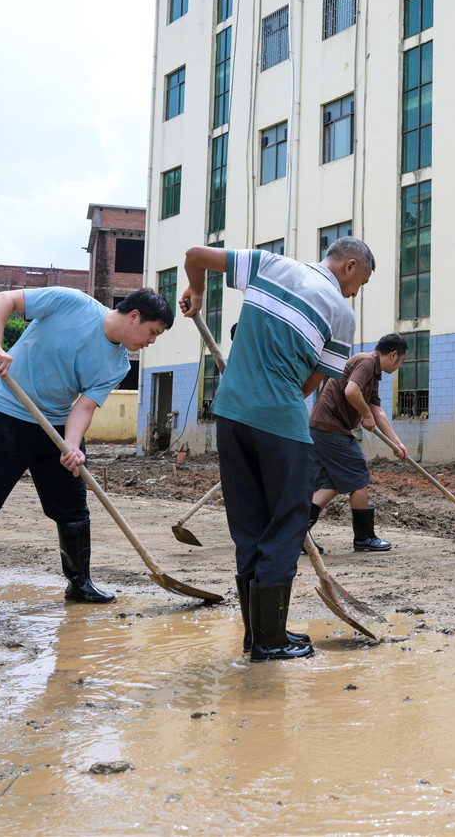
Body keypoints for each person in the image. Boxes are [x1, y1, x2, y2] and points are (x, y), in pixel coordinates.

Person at [181, 236, 373, 663]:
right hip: (280, 424)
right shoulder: (342, 313)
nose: (356, 292)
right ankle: (271, 643)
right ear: (349, 265)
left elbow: (195, 256)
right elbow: (313, 382)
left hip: (229, 414)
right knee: (286, 527)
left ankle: (258, 636)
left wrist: (197, 290)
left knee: (248, 527)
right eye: (360, 282)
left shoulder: (268, 264)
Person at [0, 287, 174, 614]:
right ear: (134, 316)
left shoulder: (118, 365)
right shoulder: (71, 302)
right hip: (9, 412)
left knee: (73, 508)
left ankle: (80, 584)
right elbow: (1, 300)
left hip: (58, 427)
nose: (151, 341)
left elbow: (85, 407)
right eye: (152, 332)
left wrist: (73, 446)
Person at [307, 334, 410, 553]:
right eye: (402, 361)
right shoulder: (366, 362)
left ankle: (297, 536)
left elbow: (377, 410)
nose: (401, 365)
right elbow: (352, 391)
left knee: (331, 484)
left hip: (322, 429)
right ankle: (364, 538)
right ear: (393, 355)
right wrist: (365, 415)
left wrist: (397, 444)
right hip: (330, 429)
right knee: (358, 478)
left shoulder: (373, 373)